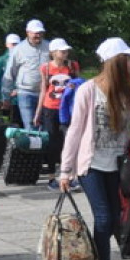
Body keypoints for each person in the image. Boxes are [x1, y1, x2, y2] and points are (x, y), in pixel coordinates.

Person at [59, 37, 130, 260]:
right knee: (104, 217)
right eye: (128, 59)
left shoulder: (128, 92)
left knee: (112, 221)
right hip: (91, 165)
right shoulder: (88, 89)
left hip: (115, 166)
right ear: (116, 61)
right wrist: (65, 170)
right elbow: (75, 131)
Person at [37, 37, 80, 188]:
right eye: (62, 51)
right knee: (52, 142)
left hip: (67, 108)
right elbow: (43, 90)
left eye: (66, 50)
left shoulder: (72, 66)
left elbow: (78, 85)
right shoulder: (46, 68)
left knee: (69, 140)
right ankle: (51, 177)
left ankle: (70, 175)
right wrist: (38, 112)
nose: (65, 53)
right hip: (50, 107)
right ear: (53, 52)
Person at [3, 20, 50, 131]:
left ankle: (42, 148)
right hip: (25, 92)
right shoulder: (18, 49)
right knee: (30, 126)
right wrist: (6, 96)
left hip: (45, 93)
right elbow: (10, 73)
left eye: (40, 32)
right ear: (27, 32)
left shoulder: (49, 47)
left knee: (44, 128)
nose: (38, 35)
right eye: (35, 32)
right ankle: (32, 147)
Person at [0, 34, 21, 123]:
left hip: (20, 97)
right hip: (5, 97)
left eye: (16, 44)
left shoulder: (23, 58)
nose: (14, 46)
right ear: (7, 44)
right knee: (5, 121)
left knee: (19, 122)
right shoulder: (2, 60)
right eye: (12, 44)